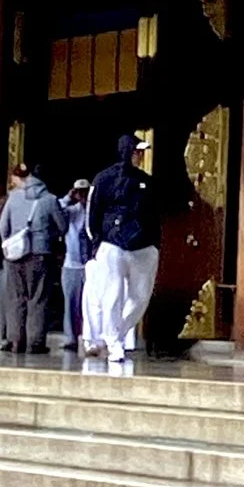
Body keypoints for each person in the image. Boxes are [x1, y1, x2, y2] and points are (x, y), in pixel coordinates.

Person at [81, 134, 159, 367]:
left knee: (140, 297)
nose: (140, 156)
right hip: (112, 244)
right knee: (112, 295)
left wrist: (155, 243)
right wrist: (96, 242)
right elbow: (92, 212)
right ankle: (115, 343)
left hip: (143, 246)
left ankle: (116, 331)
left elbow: (154, 215)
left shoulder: (147, 182)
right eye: (137, 151)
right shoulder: (104, 179)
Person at [0, 162, 63, 355]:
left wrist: (10, 242)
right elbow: (62, 226)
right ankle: (35, 343)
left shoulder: (13, 197)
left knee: (16, 299)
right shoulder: (50, 199)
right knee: (38, 299)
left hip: (15, 256)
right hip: (41, 255)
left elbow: (2, 226)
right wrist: (48, 237)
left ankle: (16, 342)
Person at [59, 177, 92, 351]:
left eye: (85, 192)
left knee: (90, 304)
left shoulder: (95, 211)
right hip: (72, 263)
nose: (82, 196)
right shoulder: (72, 211)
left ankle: (89, 337)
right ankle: (70, 337)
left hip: (91, 264)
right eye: (79, 192)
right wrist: (68, 198)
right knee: (70, 304)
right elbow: (57, 210)